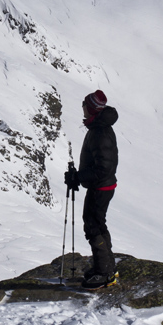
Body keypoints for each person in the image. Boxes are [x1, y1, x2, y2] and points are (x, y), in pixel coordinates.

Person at [65, 89, 119, 288]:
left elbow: (103, 167)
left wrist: (78, 177)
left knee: (93, 226)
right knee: (98, 224)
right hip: (103, 186)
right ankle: (106, 267)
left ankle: (104, 273)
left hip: (100, 187)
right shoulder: (100, 127)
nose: (82, 108)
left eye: (84, 105)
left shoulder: (99, 131)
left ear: (92, 109)